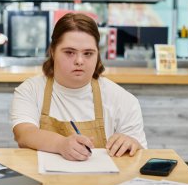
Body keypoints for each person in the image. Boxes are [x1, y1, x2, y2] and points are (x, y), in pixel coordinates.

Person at [11, 13, 147, 161]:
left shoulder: (123, 99)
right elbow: (24, 134)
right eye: (69, 52)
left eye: (88, 53)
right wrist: (61, 144)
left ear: (97, 55)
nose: (79, 61)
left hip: (103, 183)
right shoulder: (30, 90)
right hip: (43, 182)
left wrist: (131, 143)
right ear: (52, 51)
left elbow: (139, 156)